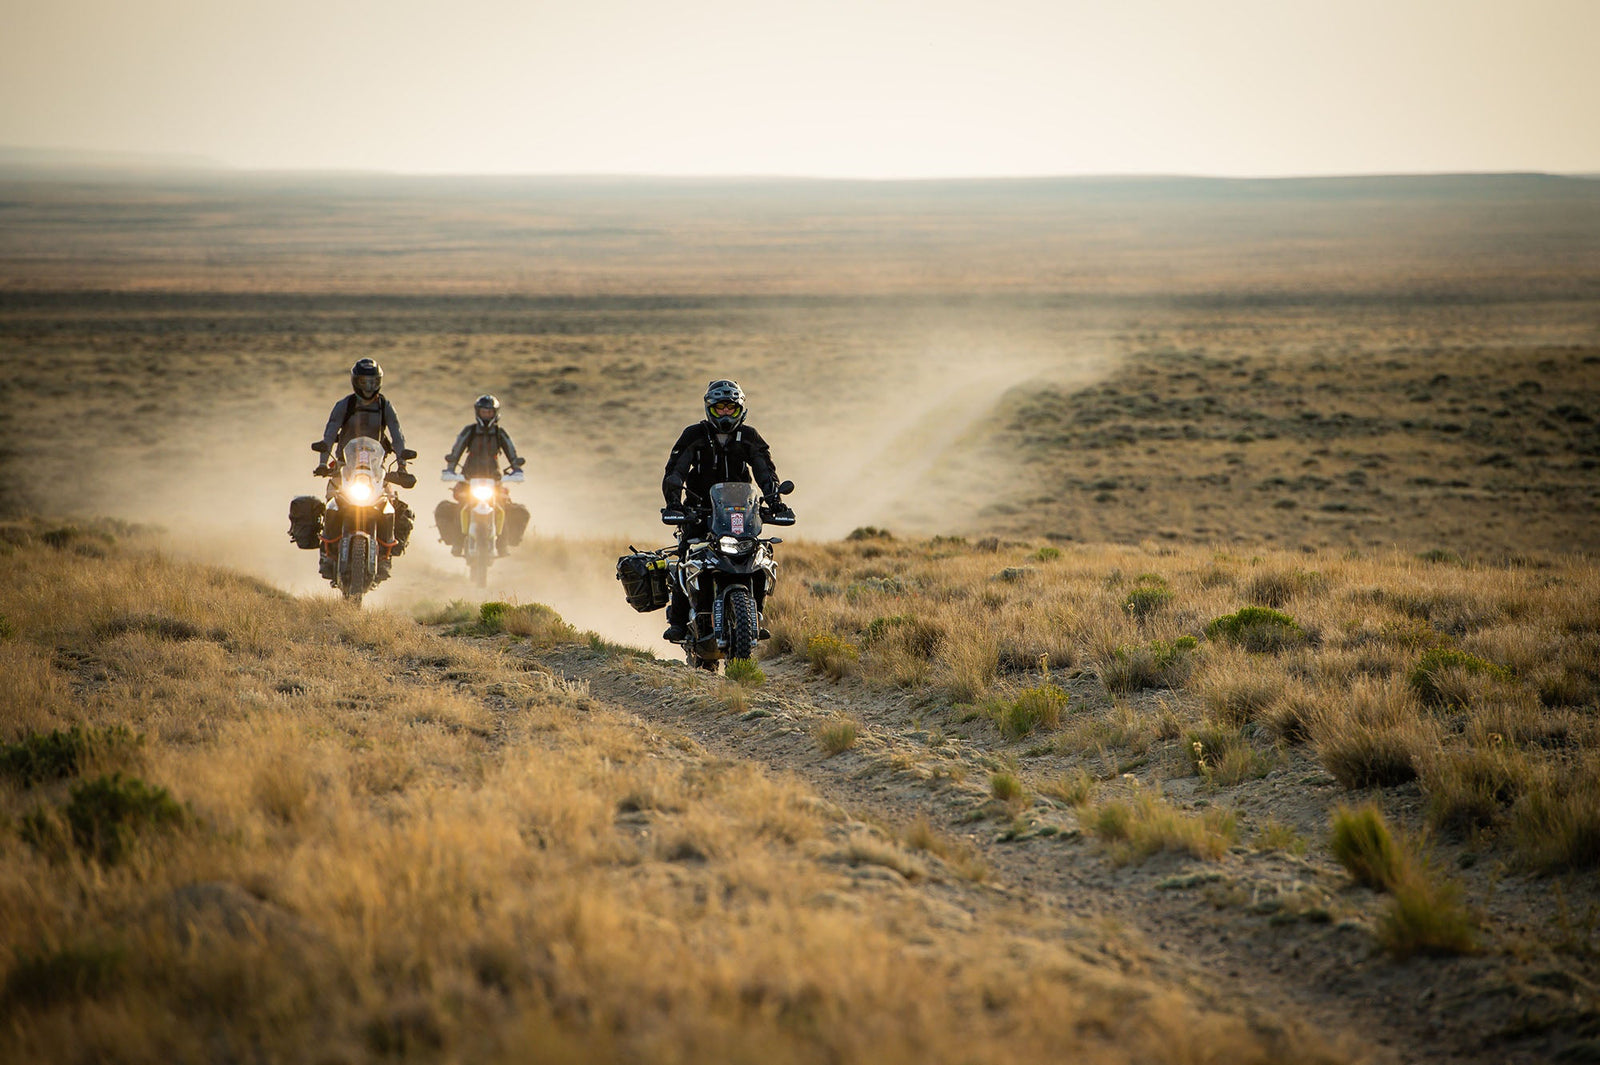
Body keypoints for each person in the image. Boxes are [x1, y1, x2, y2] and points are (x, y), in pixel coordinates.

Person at [659, 379, 794, 641]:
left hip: (740, 513)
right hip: (699, 511)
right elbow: (675, 471)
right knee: (687, 554)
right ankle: (678, 620)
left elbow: (765, 471)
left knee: (758, 555)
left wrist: (775, 501)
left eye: (730, 408)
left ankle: (755, 615)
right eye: (719, 407)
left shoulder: (750, 437)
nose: (724, 413)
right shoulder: (694, 435)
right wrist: (674, 502)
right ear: (709, 408)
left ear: (740, 409)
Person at [314, 358, 413, 580]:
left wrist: (402, 465)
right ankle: (326, 553)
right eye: (363, 382)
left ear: (378, 382)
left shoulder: (385, 406)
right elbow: (329, 434)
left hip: (375, 468)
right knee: (332, 501)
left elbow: (397, 435)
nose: (368, 387)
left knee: (390, 505)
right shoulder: (345, 405)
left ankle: (386, 556)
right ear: (355, 381)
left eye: (372, 382)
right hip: (344, 466)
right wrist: (322, 463)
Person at [439, 394, 526, 556]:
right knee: (462, 506)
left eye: (489, 412)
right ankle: (457, 544)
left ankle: (502, 545)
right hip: (468, 477)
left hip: (494, 478)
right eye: (483, 412)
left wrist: (517, 468)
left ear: (495, 413)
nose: (486, 415)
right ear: (477, 412)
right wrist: (450, 469)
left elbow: (511, 452)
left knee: (501, 507)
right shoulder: (469, 431)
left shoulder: (500, 433)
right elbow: (456, 450)